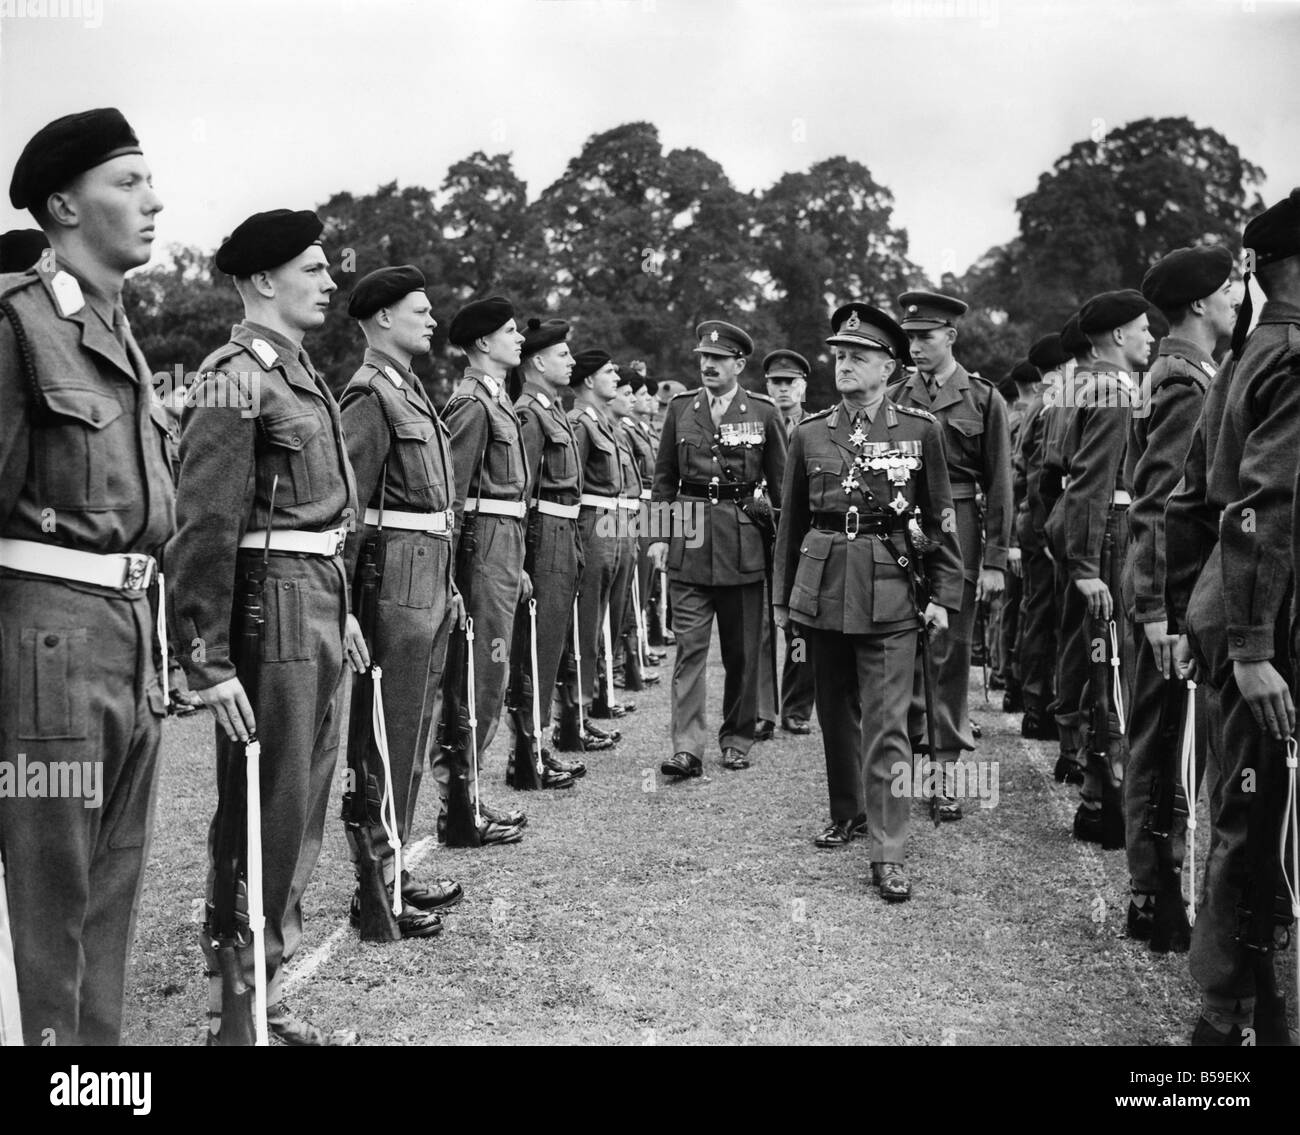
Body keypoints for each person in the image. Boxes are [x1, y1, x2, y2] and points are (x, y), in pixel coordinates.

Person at [0, 107, 172, 1046]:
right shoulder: (17, 324)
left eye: (150, 181)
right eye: (129, 182)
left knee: (112, 895)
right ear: (63, 205)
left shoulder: (116, 331)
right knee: (49, 906)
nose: (154, 201)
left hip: (126, 630)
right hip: (47, 644)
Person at [170, 207, 360, 1045]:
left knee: (301, 798)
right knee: (267, 806)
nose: (329, 282)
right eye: (313, 269)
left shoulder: (299, 371)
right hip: (272, 602)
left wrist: (345, 611)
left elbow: (326, 511)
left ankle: (254, 990)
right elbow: (203, 524)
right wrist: (206, 661)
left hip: (315, 592)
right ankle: (241, 1010)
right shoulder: (233, 373)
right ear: (260, 282)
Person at [774, 304, 962, 900]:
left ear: (889, 366)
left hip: (891, 587)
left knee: (887, 725)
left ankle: (888, 848)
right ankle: (848, 810)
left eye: (858, 356)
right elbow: (791, 524)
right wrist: (784, 601)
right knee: (836, 711)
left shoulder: (918, 429)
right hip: (823, 584)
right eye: (839, 355)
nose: (845, 364)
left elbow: (941, 519)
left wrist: (945, 596)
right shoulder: (809, 433)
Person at [1178, 189, 1300, 1045]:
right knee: (1258, 820)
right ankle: (1229, 1017)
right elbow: (1263, 507)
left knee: (1245, 812)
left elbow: (1191, 500)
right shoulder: (1289, 354)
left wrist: (1199, 615)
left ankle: (1245, 1004)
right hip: (1267, 625)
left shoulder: (1249, 351)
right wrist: (1253, 648)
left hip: (1232, 610)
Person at [337, 265, 465, 940]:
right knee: (382, 741)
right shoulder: (368, 397)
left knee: (411, 736)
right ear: (382, 317)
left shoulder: (408, 391)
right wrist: (347, 608)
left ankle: (392, 870)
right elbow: (349, 511)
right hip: (390, 586)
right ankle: (375, 890)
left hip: (426, 578)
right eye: (420, 310)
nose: (432, 320)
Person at [1121, 246, 1234, 947]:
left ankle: (1153, 889)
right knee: (1159, 744)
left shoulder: (1185, 372)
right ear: (1199, 304)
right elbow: (1161, 503)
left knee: (1163, 741)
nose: (1234, 299)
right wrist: (1160, 612)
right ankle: (1152, 894)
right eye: (1226, 290)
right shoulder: (1185, 382)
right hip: (1171, 598)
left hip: (1175, 592)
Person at [890, 292, 1011, 820]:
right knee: (905, 649)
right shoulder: (895, 395)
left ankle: (944, 772)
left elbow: (1002, 483)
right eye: (910, 337)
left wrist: (995, 561)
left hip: (957, 527)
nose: (915, 347)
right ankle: (910, 756)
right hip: (902, 524)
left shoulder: (983, 399)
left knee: (949, 654)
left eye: (925, 337)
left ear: (951, 337)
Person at [650, 321, 786, 777]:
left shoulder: (764, 413)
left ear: (739, 365)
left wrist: (782, 553)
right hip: (689, 542)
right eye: (704, 358)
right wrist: (657, 536)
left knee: (742, 654)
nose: (708, 365)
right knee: (689, 650)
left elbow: (783, 490)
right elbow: (665, 480)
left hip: (742, 545)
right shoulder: (681, 408)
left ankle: (737, 738)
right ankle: (687, 748)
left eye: (719, 360)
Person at [1045, 289, 1152, 848]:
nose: (1150, 338)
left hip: (1087, 529)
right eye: (1141, 329)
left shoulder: (1075, 385)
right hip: (1106, 531)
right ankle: (1103, 805)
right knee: (1109, 665)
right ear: (1116, 337)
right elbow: (1092, 481)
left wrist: (1064, 544)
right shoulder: (1111, 390)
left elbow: (1050, 476)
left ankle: (1097, 796)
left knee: (1091, 660)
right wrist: (1087, 564)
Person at [434, 296, 529, 845]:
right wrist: (458, 575)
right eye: (509, 332)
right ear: (482, 345)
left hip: (504, 542)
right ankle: (457, 805)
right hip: (482, 548)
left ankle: (467, 795)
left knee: (489, 678)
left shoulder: (497, 400)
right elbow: (454, 497)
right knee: (473, 677)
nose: (519, 340)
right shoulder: (471, 404)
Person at [509, 317, 586, 782]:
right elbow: (521, 492)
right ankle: (526, 754)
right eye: (563, 355)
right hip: (542, 537)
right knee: (534, 647)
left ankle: (537, 744)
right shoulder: (529, 414)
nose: (571, 361)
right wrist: (520, 560)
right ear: (537, 361)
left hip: (565, 534)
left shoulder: (551, 410)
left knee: (551, 642)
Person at [565, 350, 640, 728]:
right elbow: (571, 487)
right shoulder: (580, 422)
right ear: (590, 381)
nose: (617, 377)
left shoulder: (604, 422)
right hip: (594, 525)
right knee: (587, 621)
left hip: (616, 522)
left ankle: (594, 699)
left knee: (608, 618)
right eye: (609, 372)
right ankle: (576, 712)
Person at [1016, 334, 1070, 741]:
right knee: (1045, 616)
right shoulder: (1052, 402)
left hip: (1034, 521)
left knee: (1038, 613)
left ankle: (1035, 701)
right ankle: (1037, 706)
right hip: (1040, 523)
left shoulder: (1042, 402)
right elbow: (1038, 478)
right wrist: (1049, 535)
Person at [762, 349, 815, 734]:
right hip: (757, 534)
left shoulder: (814, 429)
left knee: (799, 629)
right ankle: (762, 710)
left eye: (789, 383)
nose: (783, 390)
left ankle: (795, 707)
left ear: (803, 386)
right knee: (759, 628)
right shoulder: (752, 424)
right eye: (776, 383)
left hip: (799, 539)